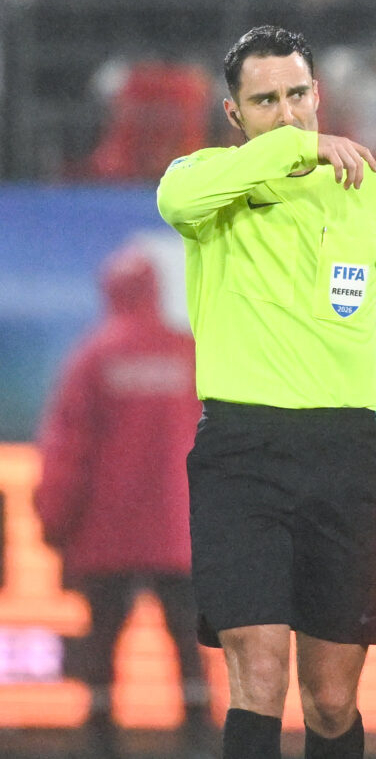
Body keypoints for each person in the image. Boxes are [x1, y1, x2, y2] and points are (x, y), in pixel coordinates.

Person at [155, 25, 376, 759]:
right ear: (234, 115)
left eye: (298, 95)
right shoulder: (208, 182)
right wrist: (298, 149)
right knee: (258, 674)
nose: (288, 113)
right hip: (240, 455)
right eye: (266, 101)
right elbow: (174, 199)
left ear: (319, 93)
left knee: (329, 700)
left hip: (344, 454)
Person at [34, 244, 214, 759]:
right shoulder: (190, 354)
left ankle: (100, 742)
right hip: (180, 537)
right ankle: (201, 744)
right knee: (190, 648)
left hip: (106, 538)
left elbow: (66, 453)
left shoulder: (91, 358)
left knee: (102, 646)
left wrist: (54, 524)